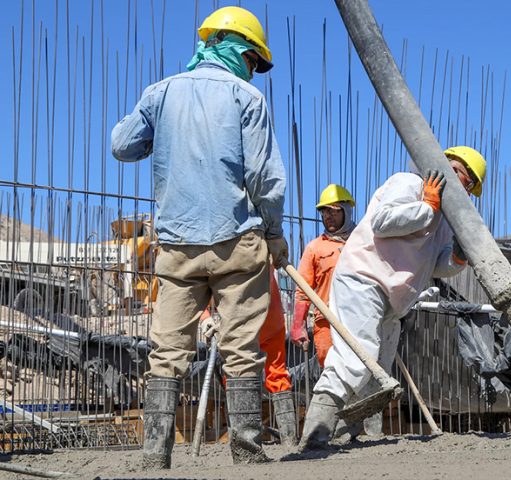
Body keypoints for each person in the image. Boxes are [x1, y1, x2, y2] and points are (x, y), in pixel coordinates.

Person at [111, 6, 288, 467]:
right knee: (241, 349)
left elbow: (122, 145)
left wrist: (162, 129)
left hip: (178, 246)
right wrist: (274, 233)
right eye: (253, 60)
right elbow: (265, 179)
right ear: (239, 49)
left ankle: (154, 458)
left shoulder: (161, 93)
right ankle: (247, 453)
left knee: (166, 352)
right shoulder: (247, 98)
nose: (253, 70)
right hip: (237, 244)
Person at [299, 146, 487, 449]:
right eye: (465, 180)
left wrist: (457, 257)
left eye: (469, 186)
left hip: (394, 300)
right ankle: (314, 437)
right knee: (354, 359)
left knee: (377, 372)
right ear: (448, 169)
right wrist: (426, 208)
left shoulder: (443, 220)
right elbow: (382, 221)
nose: (463, 189)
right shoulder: (408, 184)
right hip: (365, 279)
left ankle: (348, 435)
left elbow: (435, 264)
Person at [200, 269, 296, 446]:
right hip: (269, 320)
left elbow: (198, 285)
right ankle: (289, 439)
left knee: (236, 376)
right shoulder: (265, 253)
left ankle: (241, 442)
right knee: (277, 376)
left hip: (244, 327)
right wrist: (205, 316)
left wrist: (205, 316)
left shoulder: (224, 257)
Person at [290, 184, 356, 367]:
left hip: (358, 319)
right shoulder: (315, 248)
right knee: (331, 372)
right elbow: (303, 291)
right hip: (326, 322)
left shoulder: (363, 242)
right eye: (324, 212)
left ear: (346, 211)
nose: (328, 216)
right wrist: (298, 325)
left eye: (334, 211)